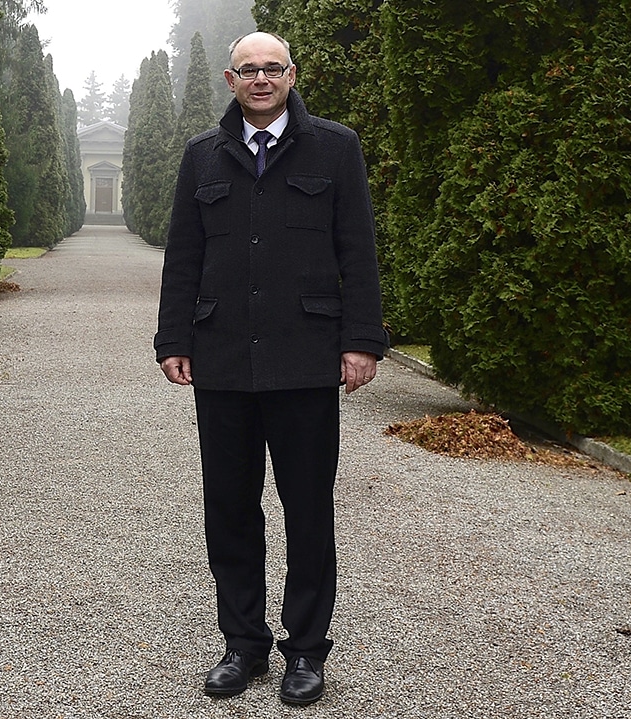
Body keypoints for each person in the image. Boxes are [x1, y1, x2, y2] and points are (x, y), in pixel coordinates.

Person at [154, 31, 387, 706]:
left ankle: (306, 653)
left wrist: (362, 340)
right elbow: (183, 254)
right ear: (230, 80)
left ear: (291, 74)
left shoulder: (335, 148)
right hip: (223, 359)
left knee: (307, 511)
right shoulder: (203, 155)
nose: (261, 79)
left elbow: (358, 249)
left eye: (272, 69)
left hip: (305, 358)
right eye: (248, 70)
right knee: (229, 508)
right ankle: (244, 645)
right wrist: (174, 337)